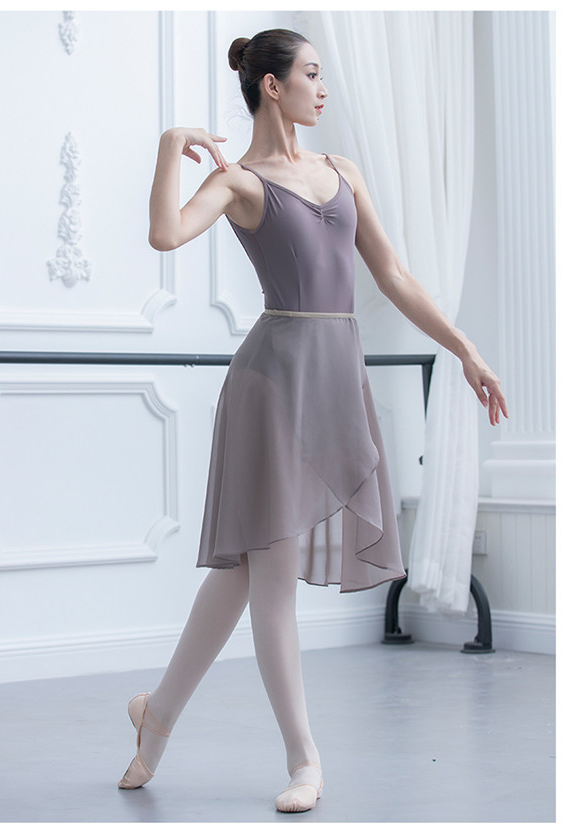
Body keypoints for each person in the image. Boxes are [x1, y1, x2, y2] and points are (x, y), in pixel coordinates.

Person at [118, 28, 508, 814]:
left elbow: (392, 274)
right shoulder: (240, 182)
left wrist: (464, 346)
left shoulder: (342, 171)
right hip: (272, 385)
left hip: (333, 381)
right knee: (270, 574)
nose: (323, 89)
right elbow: (165, 234)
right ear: (273, 85)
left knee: (242, 571)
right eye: (312, 75)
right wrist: (167, 147)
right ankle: (304, 757)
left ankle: (156, 715)